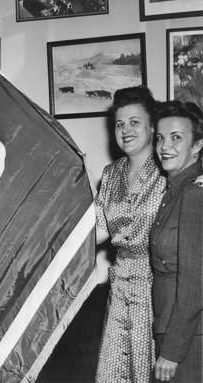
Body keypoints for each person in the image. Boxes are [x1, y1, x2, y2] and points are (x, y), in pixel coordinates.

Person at [95, 86, 166, 383]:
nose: (125, 130)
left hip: (158, 290)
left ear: (152, 127)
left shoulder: (170, 169)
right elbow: (97, 230)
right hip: (119, 289)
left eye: (134, 122)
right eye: (120, 124)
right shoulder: (111, 174)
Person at [150, 100, 203, 383]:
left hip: (189, 337)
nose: (164, 146)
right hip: (171, 327)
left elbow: (195, 283)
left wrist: (172, 350)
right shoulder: (173, 189)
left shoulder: (194, 194)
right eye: (160, 137)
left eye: (176, 138)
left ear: (197, 145)